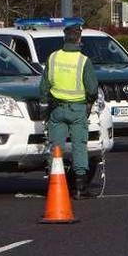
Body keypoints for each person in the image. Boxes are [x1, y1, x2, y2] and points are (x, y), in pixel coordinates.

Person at [40, 19, 99, 200]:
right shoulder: (83, 61)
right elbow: (92, 89)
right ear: (79, 38)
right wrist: (89, 103)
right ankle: (81, 187)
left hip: (57, 110)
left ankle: (54, 185)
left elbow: (44, 86)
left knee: (55, 147)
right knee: (79, 147)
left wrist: (44, 108)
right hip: (77, 109)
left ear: (64, 38)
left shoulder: (53, 58)